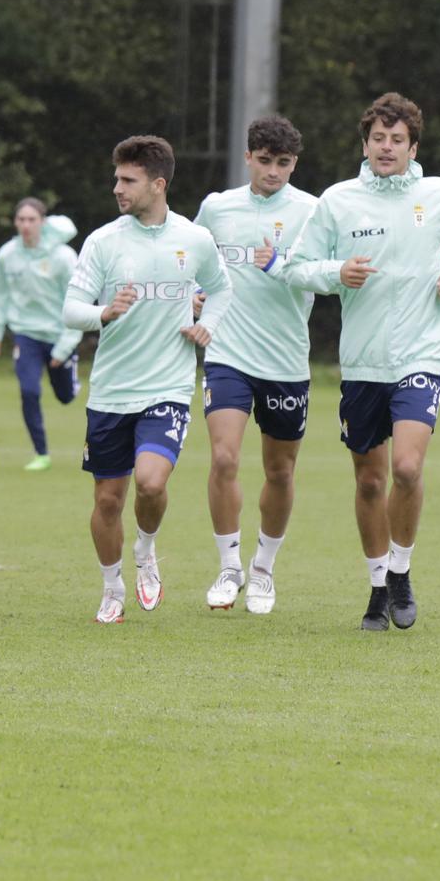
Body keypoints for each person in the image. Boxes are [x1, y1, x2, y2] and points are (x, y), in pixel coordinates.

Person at [273, 92, 440, 631]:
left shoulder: (438, 194)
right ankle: (375, 586)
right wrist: (336, 272)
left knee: (408, 469)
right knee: (371, 482)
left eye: (396, 140)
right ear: (364, 144)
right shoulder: (338, 200)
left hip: (423, 350)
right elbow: (297, 267)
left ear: (414, 146)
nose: (385, 148)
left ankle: (402, 571)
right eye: (377, 139)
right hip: (363, 362)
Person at [62, 135, 232, 623]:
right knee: (108, 499)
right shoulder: (103, 241)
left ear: (157, 184)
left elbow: (222, 289)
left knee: (151, 484)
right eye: (117, 178)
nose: (118, 187)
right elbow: (71, 310)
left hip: (168, 387)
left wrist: (208, 325)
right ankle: (112, 587)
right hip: (112, 391)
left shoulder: (194, 240)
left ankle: (147, 549)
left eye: (128, 180)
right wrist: (104, 313)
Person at [191, 115, 320, 614]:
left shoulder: (312, 211)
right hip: (226, 352)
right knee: (224, 458)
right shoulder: (217, 208)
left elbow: (322, 275)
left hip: (286, 359)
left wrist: (281, 265)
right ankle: (228, 566)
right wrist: (194, 295)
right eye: (264, 161)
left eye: (283, 163)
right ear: (248, 157)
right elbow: (192, 262)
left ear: (294, 164)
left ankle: (263, 568)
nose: (273, 172)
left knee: (280, 471)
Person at [0, 198, 83, 471]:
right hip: (25, 334)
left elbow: (77, 302)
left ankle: (71, 379)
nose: (26, 225)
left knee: (65, 396)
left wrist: (64, 347)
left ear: (43, 222)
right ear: (15, 222)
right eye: (21, 220)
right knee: (29, 391)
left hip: (58, 334)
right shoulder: (7, 255)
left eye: (32, 220)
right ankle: (41, 453)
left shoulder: (63, 256)